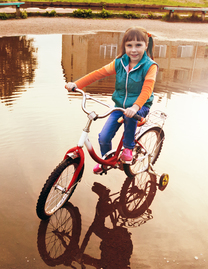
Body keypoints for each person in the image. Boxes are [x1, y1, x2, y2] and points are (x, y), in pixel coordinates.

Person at [65, 26, 158, 174]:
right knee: (103, 137)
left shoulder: (150, 66)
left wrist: (135, 107)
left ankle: (128, 148)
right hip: (119, 106)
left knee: (130, 118)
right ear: (124, 47)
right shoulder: (119, 63)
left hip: (140, 106)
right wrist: (76, 84)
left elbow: (147, 89)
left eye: (138, 45)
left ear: (146, 45)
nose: (133, 50)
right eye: (129, 45)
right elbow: (98, 74)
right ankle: (106, 161)